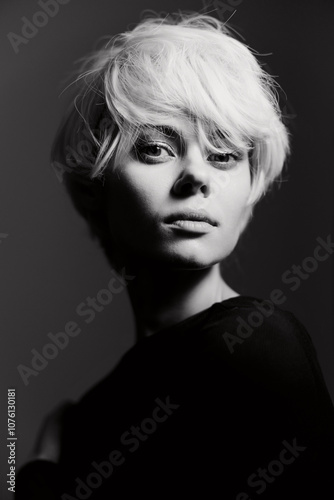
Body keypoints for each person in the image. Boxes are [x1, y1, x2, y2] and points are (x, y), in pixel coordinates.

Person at [16, 10, 334, 499]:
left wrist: (38, 467)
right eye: (157, 149)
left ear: (250, 191)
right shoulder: (90, 412)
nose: (198, 176)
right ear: (96, 185)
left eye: (224, 155)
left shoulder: (254, 345)